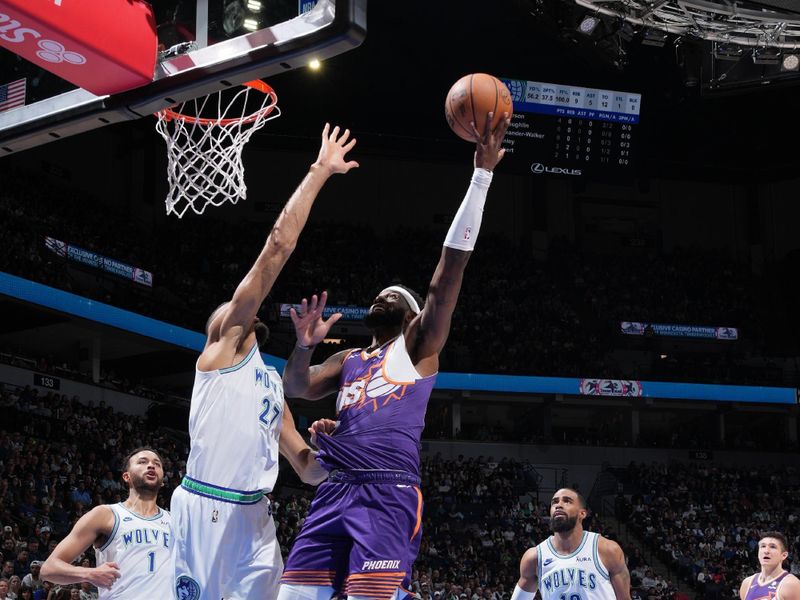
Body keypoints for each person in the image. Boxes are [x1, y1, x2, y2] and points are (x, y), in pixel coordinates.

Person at [278, 111, 511, 600]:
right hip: (335, 488)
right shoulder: (348, 361)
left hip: (387, 491)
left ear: (411, 316)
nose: (383, 296)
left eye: (395, 296)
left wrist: (481, 177)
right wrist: (303, 346)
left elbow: (448, 271)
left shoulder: (417, 348)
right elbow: (296, 388)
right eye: (380, 293)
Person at [170, 123, 359, 600]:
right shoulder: (221, 349)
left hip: (256, 517)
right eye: (225, 313)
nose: (228, 314)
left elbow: (306, 468)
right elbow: (276, 248)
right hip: (206, 507)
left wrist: (350, 448)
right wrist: (319, 171)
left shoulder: (272, 385)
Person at [40, 448, 171, 600]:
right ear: (126, 476)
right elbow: (48, 569)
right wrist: (89, 574)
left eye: (157, 464)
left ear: (162, 481)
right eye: (142, 462)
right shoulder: (105, 515)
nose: (151, 466)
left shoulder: (175, 521)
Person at [512, 488, 631, 600]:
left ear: (582, 513)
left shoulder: (607, 550)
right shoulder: (534, 557)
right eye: (554, 502)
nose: (558, 505)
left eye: (567, 501)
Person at [739, 532, 800, 600]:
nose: (766, 551)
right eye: (763, 546)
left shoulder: (791, 584)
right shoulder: (747, 583)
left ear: (784, 555)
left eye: (772, 547)